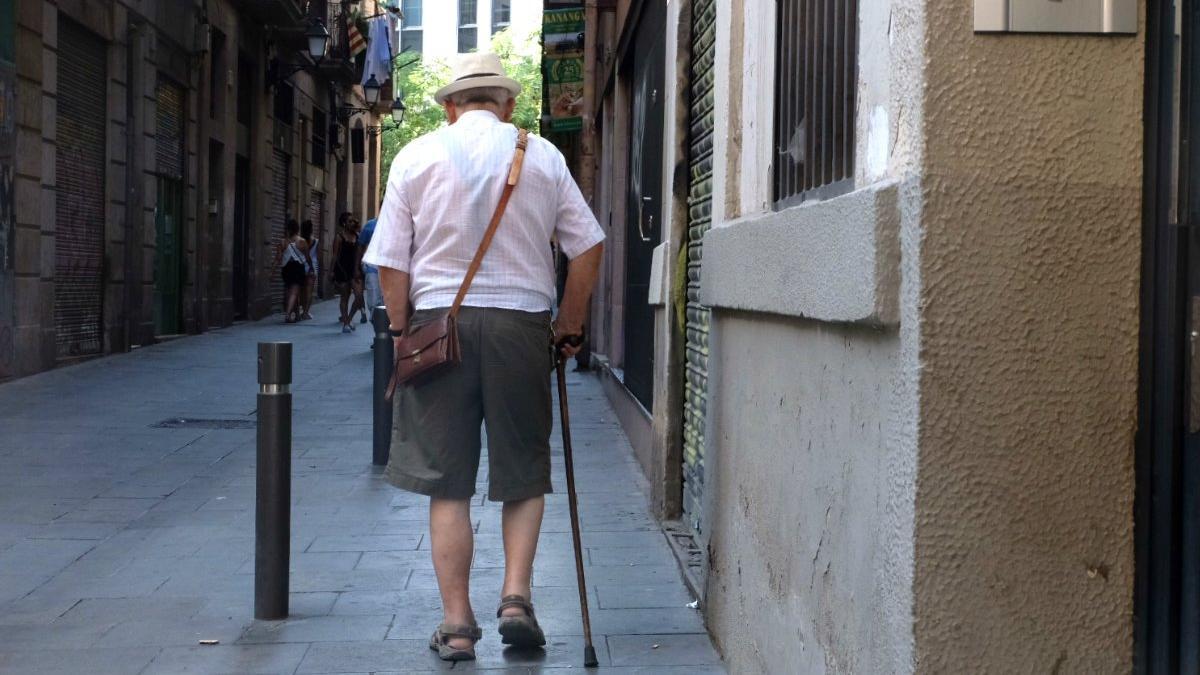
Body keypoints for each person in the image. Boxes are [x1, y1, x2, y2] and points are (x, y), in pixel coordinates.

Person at [363, 52, 605, 663]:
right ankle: (517, 599)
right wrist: (569, 325)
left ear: (449, 107)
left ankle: (458, 627)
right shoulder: (542, 156)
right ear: (509, 104)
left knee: (448, 482)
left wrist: (400, 332)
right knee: (523, 469)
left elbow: (391, 259)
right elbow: (588, 246)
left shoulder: (415, 156)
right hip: (522, 328)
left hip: (437, 326)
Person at [331, 213, 365, 333]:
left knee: (359, 297)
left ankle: (349, 319)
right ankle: (345, 322)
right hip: (342, 269)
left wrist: (358, 227)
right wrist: (331, 271)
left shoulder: (357, 235)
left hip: (355, 269)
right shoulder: (339, 237)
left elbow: (362, 251)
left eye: (353, 221)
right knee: (344, 297)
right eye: (350, 221)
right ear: (344, 223)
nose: (352, 223)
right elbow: (335, 255)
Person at [271, 218, 309, 323]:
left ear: (288, 229)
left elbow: (278, 258)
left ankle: (296, 315)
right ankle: (288, 315)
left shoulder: (283, 242)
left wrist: (272, 271)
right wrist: (311, 268)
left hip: (286, 269)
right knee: (294, 292)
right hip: (298, 268)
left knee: (290, 291)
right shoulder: (302, 241)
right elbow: (307, 257)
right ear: (297, 229)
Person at [358, 216, 383, 318]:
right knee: (373, 300)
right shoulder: (370, 225)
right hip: (372, 267)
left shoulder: (399, 224)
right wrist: (356, 268)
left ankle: (384, 328)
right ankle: (377, 326)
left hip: (391, 268)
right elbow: (360, 245)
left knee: (387, 301)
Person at [299, 219, 319, 321]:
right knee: (309, 291)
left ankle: (302, 309)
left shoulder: (299, 241)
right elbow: (317, 255)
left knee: (302, 290)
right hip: (312, 267)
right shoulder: (315, 241)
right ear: (311, 229)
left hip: (301, 266)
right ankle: (306, 312)